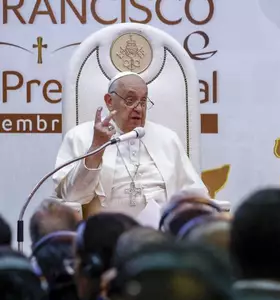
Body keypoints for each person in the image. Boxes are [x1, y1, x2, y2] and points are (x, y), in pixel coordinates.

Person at [52, 72, 209, 218]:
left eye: (143, 101)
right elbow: (71, 196)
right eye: (130, 100)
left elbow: (195, 193)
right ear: (109, 101)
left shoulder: (167, 138)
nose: (139, 108)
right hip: (107, 233)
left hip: (161, 234)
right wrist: (96, 147)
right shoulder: (79, 136)